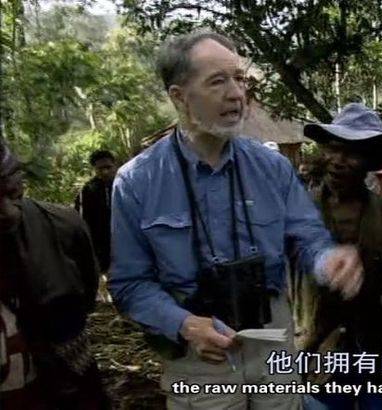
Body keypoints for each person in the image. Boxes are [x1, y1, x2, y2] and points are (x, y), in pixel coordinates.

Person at [108, 31, 363, 410]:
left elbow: (307, 237)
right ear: (179, 96)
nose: (236, 94)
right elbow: (129, 284)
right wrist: (183, 325)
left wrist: (328, 260)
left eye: (240, 79)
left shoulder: (272, 167)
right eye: (218, 81)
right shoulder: (137, 181)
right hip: (199, 349)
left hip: (272, 336)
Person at [295, 103, 382, 410]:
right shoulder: (301, 212)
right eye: (334, 149)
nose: (339, 161)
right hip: (314, 348)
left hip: (372, 348)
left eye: (352, 153)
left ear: (370, 161)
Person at [0, 142, 108, 409]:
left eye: (11, 194)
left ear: (20, 181)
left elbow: (87, 287)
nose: (6, 211)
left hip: (69, 363)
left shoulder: (63, 224)